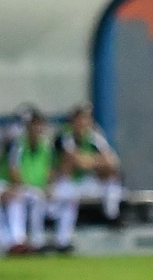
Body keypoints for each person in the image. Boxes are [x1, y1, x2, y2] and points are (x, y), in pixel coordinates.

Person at [51, 104, 124, 250]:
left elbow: (112, 162)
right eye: (80, 119)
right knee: (67, 202)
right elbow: (74, 161)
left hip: (88, 181)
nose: (83, 123)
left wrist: (90, 161)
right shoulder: (64, 137)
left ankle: (112, 216)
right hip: (67, 182)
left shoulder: (95, 137)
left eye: (86, 119)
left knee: (112, 180)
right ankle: (62, 241)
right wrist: (96, 161)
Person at [4, 109, 59, 254]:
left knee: (43, 198)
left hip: (39, 187)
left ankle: (38, 241)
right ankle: (18, 241)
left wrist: (48, 186)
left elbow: (50, 169)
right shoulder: (19, 145)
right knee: (17, 200)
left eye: (40, 126)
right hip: (22, 186)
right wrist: (24, 186)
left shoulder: (46, 146)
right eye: (35, 126)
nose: (38, 129)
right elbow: (13, 169)